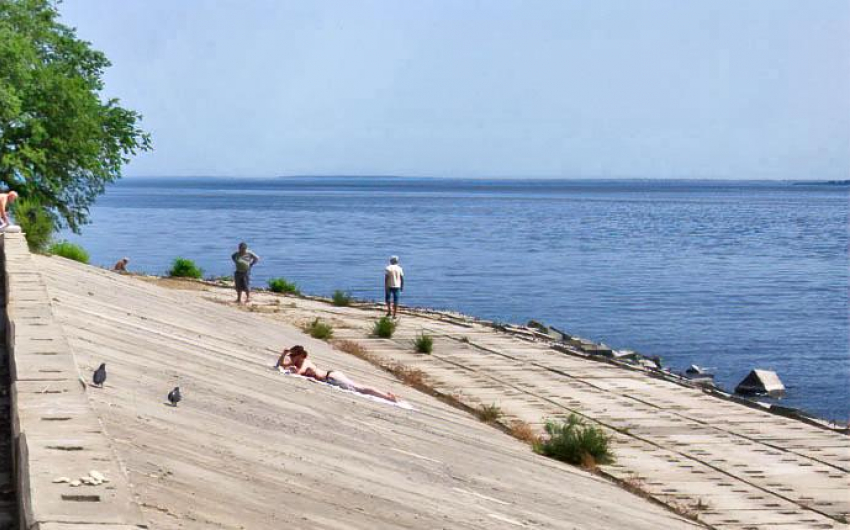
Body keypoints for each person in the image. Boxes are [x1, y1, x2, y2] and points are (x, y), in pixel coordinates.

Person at [276, 345, 399, 402]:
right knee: (358, 387)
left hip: (331, 377)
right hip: (330, 377)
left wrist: (293, 369)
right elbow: (281, 365)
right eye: (290, 356)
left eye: (293, 356)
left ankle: (388, 397)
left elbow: (300, 373)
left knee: (359, 388)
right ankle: (386, 396)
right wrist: (283, 354)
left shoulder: (305, 362)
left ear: (301, 356)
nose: (291, 358)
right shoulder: (296, 363)